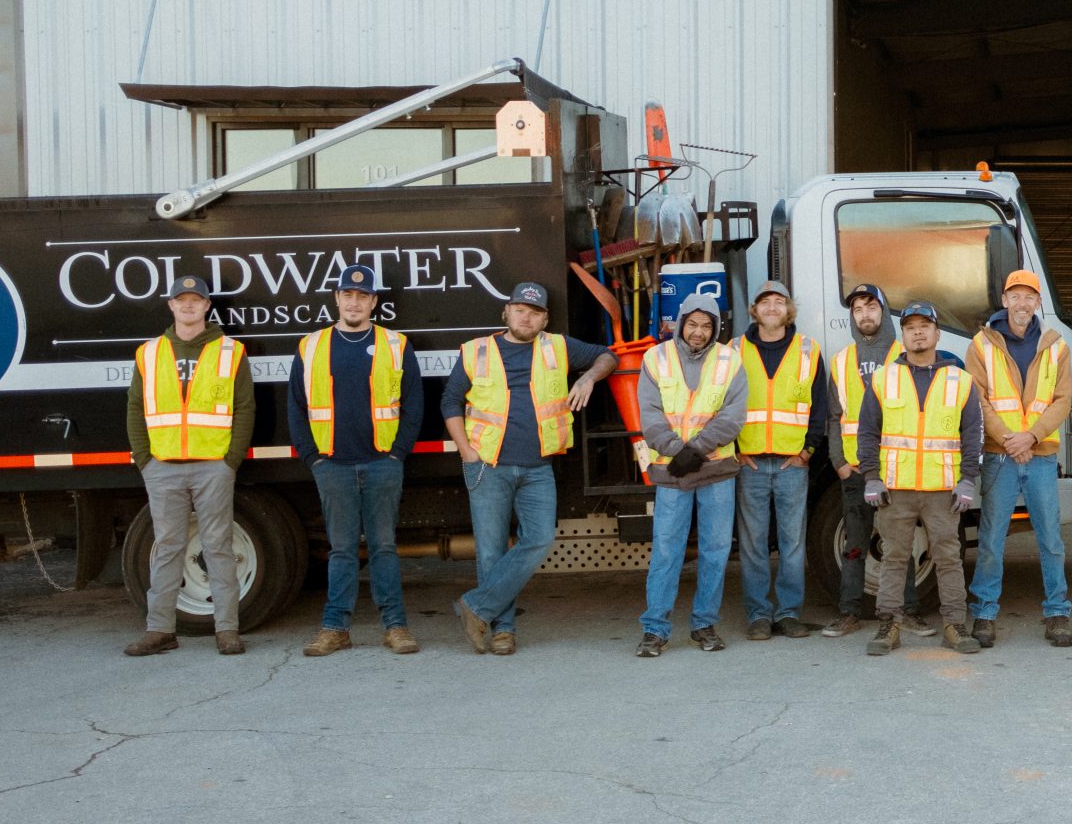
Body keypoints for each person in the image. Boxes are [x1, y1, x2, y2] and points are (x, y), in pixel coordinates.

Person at [441, 280, 616, 655]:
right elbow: (450, 402)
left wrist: (587, 376)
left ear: (544, 319)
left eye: (535, 312)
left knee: (538, 540)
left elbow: (608, 355)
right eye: (520, 308)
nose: (527, 316)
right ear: (506, 311)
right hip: (488, 466)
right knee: (491, 552)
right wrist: (467, 452)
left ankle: (475, 608)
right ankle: (503, 630)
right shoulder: (477, 351)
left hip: (538, 468)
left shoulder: (557, 346)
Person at [290, 264, 423, 657]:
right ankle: (335, 629)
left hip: (383, 463)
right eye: (347, 294)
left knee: (384, 547)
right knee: (342, 550)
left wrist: (397, 454)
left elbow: (414, 404)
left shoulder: (396, 345)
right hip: (332, 465)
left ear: (373, 302)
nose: (354, 301)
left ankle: (395, 627)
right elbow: (296, 408)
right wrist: (313, 458)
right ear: (336, 298)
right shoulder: (311, 345)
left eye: (362, 296)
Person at [123, 273, 255, 657]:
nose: (188, 305)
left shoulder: (231, 351)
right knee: (167, 548)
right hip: (162, 467)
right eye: (182, 299)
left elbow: (245, 407)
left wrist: (230, 461)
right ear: (171, 306)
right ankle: (159, 630)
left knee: (218, 546)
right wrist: (144, 459)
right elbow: (135, 406)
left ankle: (227, 630)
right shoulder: (149, 353)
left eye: (196, 299)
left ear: (207, 306)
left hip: (213, 465)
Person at [859, 302, 984, 656]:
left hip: (942, 490)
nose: (917, 332)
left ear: (937, 333)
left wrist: (967, 480)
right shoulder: (884, 378)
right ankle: (889, 625)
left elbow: (972, 433)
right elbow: (868, 431)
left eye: (924, 326)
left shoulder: (960, 380)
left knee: (949, 558)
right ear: (903, 335)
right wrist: (872, 477)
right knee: (894, 558)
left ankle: (955, 625)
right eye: (910, 326)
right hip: (895, 489)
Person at [964, 269, 1072, 647]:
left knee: (1050, 537)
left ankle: (1057, 611)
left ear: (1037, 302)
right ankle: (984, 613)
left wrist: (1031, 436)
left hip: (1041, 454)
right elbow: (976, 398)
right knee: (992, 537)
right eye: (1016, 295)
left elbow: (1062, 400)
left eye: (1030, 296)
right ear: (1005, 299)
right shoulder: (982, 344)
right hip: (999, 456)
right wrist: (1009, 439)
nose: (1023, 303)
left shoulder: (1056, 346)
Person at [633, 293, 747, 656]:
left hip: (716, 470)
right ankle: (655, 629)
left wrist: (694, 451)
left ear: (716, 328)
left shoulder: (730, 359)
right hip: (671, 472)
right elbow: (649, 415)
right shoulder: (655, 358)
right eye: (693, 324)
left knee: (715, 551)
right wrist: (675, 451)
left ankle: (705, 625)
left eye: (707, 325)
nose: (699, 332)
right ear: (681, 323)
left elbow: (734, 416)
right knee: (667, 550)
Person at [820, 283, 921, 637]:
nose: (865, 314)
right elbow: (834, 417)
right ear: (852, 316)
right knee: (855, 545)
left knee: (899, 544)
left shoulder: (903, 355)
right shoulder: (841, 360)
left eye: (871, 306)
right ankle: (849, 613)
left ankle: (906, 611)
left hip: (895, 470)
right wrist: (839, 462)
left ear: (884, 311)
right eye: (858, 309)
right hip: (855, 472)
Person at [734, 279, 827, 640]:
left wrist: (808, 451)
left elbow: (820, 405)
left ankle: (788, 614)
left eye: (779, 301)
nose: (772, 307)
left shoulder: (807, 350)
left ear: (789, 310)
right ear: (754, 311)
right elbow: (720, 404)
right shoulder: (734, 350)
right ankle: (759, 615)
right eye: (764, 302)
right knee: (754, 544)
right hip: (751, 463)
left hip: (792, 464)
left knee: (793, 544)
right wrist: (735, 450)